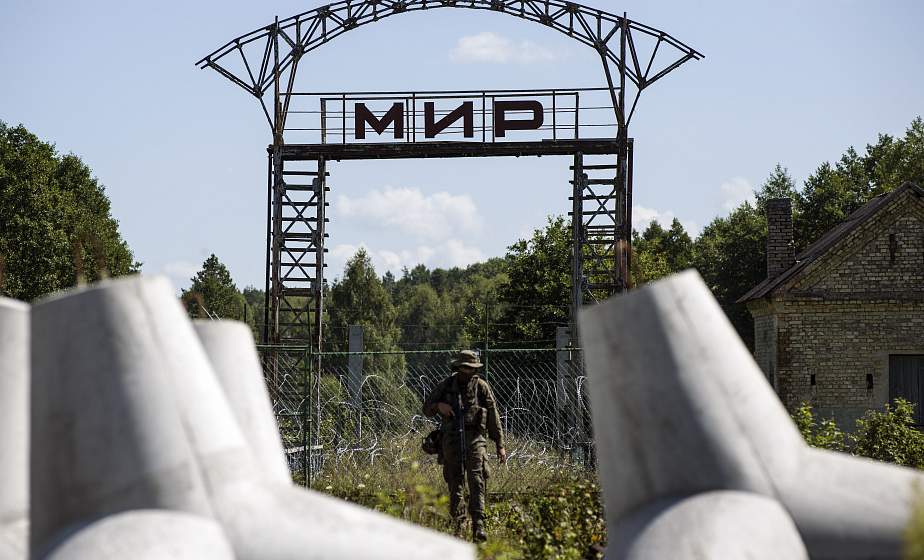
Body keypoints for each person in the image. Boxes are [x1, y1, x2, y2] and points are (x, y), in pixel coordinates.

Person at [423, 349, 506, 543]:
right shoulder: (447, 385)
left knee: (477, 481)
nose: (469, 371)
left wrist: (500, 444)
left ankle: (479, 525)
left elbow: (493, 415)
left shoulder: (481, 387)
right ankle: (458, 525)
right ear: (459, 367)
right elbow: (427, 408)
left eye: (472, 368)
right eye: (465, 368)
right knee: (455, 483)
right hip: (451, 440)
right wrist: (439, 406)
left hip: (475, 439)